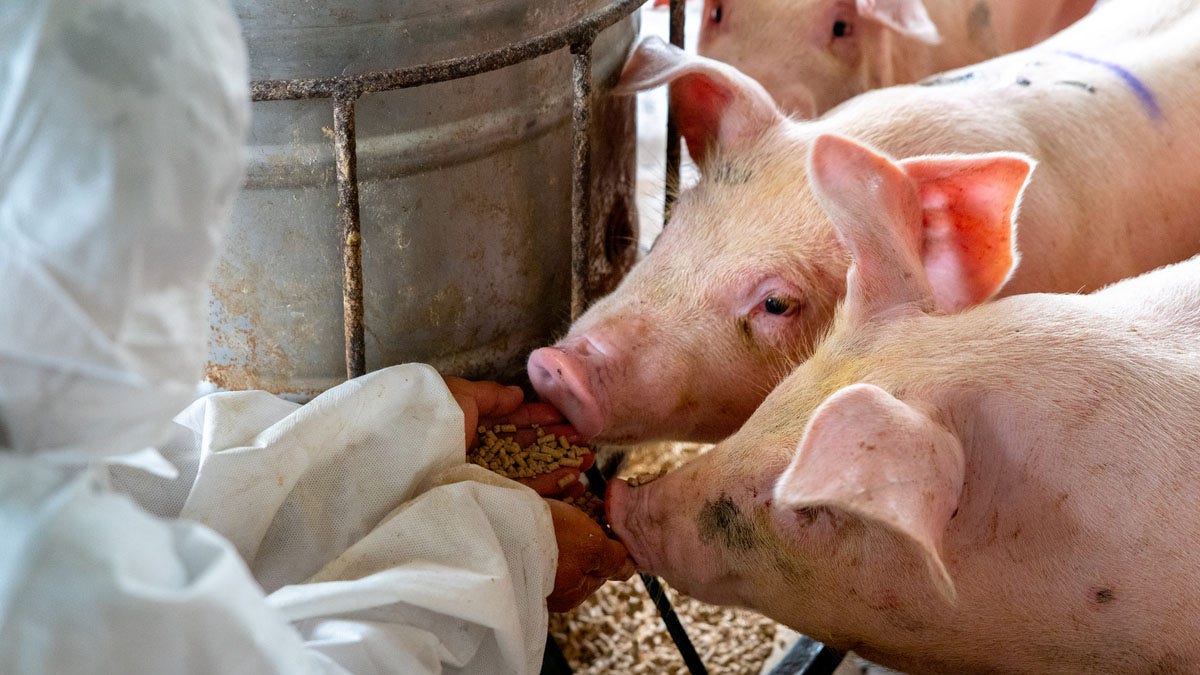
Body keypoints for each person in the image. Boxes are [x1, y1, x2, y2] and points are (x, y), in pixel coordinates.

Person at [0, 1, 632, 673]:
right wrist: (508, 556)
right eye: (141, 267)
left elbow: (146, 485)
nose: (179, 312)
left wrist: (388, 434)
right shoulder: (39, 588)